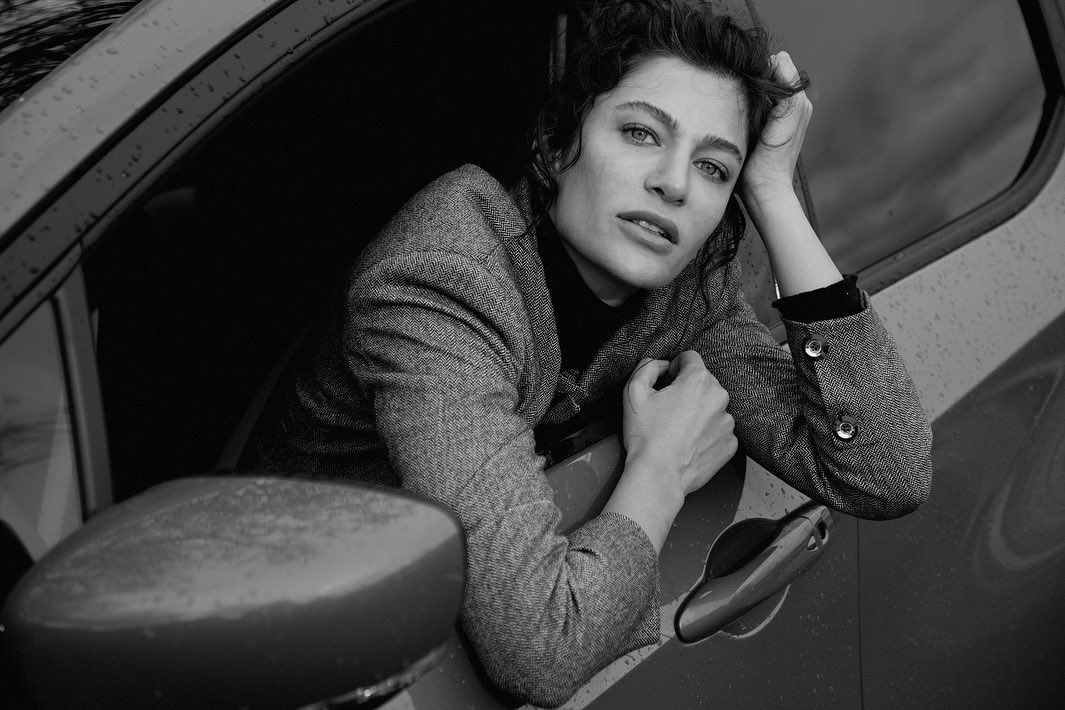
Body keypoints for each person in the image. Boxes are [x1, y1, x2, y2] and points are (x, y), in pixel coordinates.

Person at [241, 0, 933, 706]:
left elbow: (887, 473)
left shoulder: (686, 294)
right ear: (555, 145)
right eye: (639, 132)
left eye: (713, 168)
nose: (673, 183)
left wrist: (772, 192)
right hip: (288, 645)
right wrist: (661, 469)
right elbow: (540, 647)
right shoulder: (443, 280)